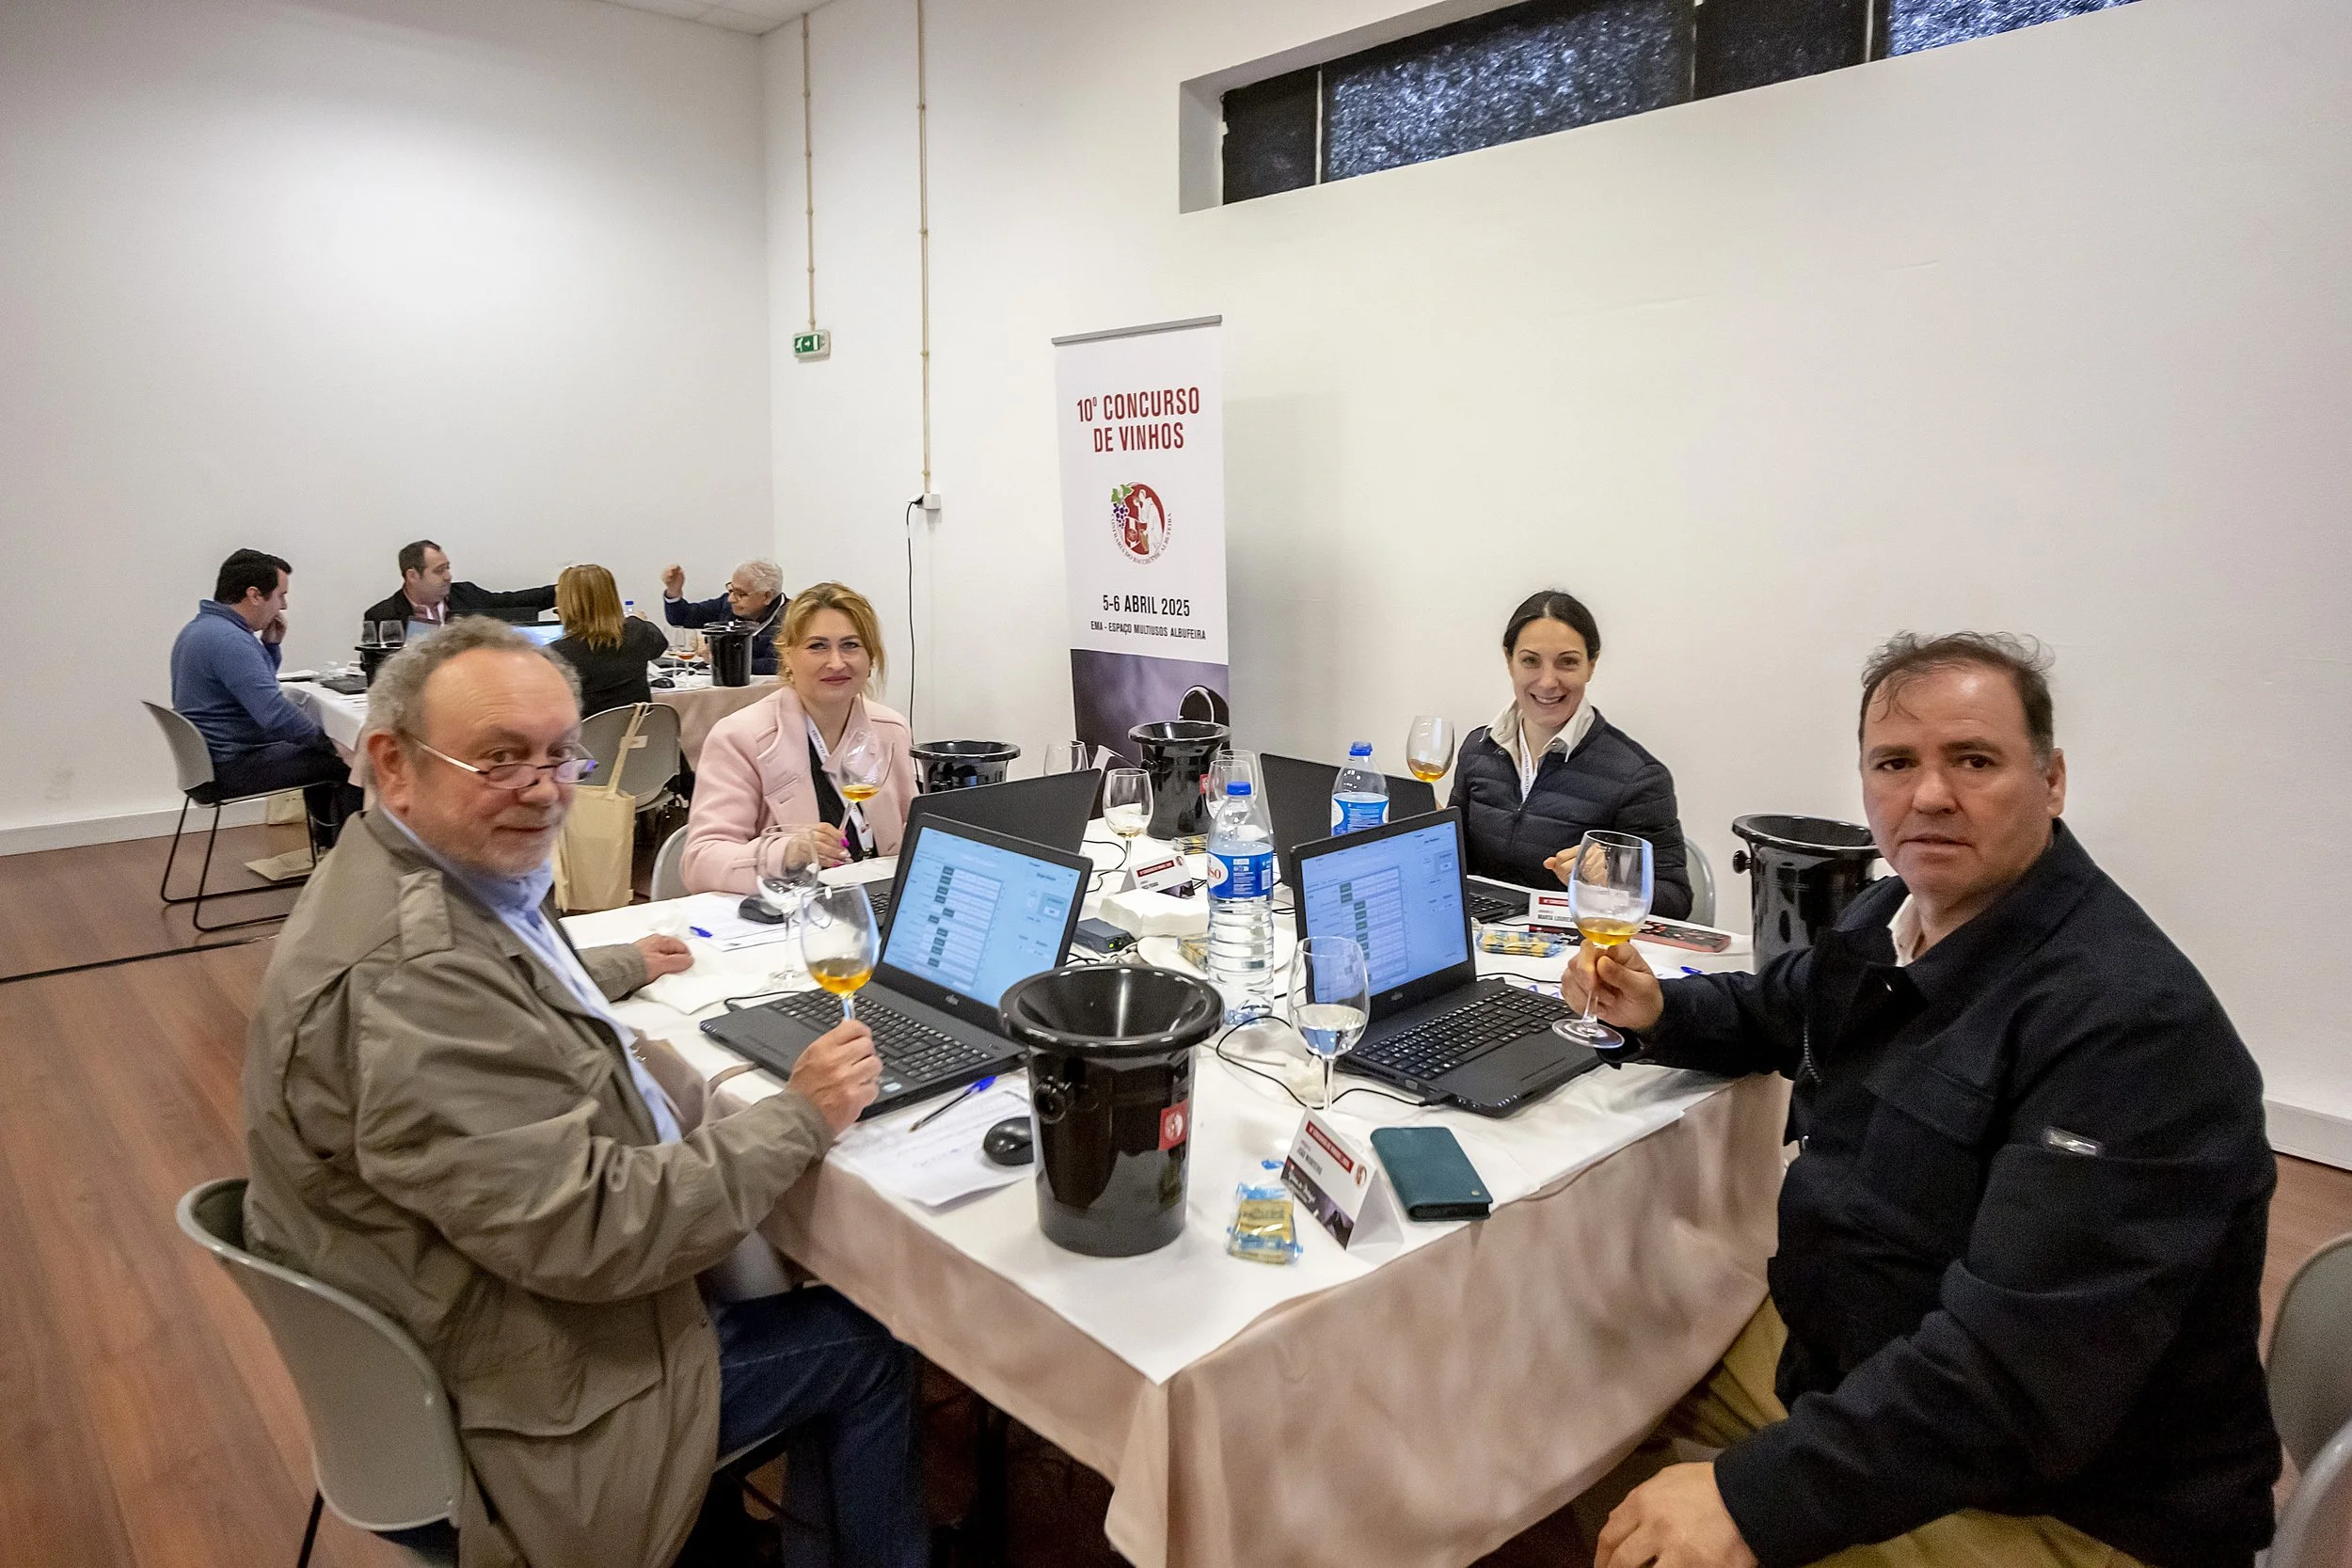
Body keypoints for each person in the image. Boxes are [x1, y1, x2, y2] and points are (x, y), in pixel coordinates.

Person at [1572, 633, 2277, 1568]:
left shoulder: (2130, 1029)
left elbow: (2013, 1381)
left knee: (1640, 1519)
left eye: (1973, 760)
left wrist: (1752, 1495)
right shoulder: (1890, 915)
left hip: (2063, 1501)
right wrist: (1660, 1007)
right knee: (1578, 1412)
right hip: (1860, 1356)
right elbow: (1779, 1003)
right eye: (1895, 763)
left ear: (2052, 778)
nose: (1929, 794)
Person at [240, 618, 928, 1568]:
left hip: (462, 1303)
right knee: (872, 1335)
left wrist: (610, 961)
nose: (544, 787)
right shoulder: (411, 977)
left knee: (776, 1213)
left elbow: (492, 979)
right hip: (533, 1395)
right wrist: (801, 1111)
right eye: (499, 757)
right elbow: (597, 1232)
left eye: (560, 755)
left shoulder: (410, 872)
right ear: (392, 763)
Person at [1446, 590, 1692, 916]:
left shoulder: (1639, 776)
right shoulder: (1478, 749)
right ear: (1509, 661)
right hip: (1486, 946)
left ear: (1591, 665)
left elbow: (1676, 901)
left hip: (1573, 956)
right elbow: (1458, 869)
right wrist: (1430, 835)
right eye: (1530, 661)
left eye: (1568, 662)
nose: (1548, 682)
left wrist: (1615, 880)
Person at [682, 581, 916, 894]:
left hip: (875, 906)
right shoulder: (740, 737)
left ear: (871, 657)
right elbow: (700, 861)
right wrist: (788, 853)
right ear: (788, 656)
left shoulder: (892, 729)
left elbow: (912, 834)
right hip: (790, 916)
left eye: (851, 645)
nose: (836, 662)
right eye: (817, 646)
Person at [169, 548, 360, 855]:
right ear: (255, 595)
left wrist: (270, 648)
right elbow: (273, 715)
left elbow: (252, 694)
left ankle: (328, 849)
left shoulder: (201, 629)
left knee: (328, 749)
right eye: (280, 595)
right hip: (232, 767)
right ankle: (347, 866)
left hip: (213, 762)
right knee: (352, 761)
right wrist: (330, 743)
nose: (283, 605)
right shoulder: (229, 640)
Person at [549, 562, 673, 718]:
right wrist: (636, 621)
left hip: (586, 738)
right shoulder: (639, 632)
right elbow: (659, 646)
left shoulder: (556, 654)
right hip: (639, 736)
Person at [360, 539, 557, 631]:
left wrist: (563, 591)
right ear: (412, 576)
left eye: (448, 568)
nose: (448, 576)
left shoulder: (466, 595)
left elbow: (513, 601)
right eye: (439, 571)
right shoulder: (383, 616)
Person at [661, 558, 787, 675]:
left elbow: (776, 665)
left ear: (767, 596)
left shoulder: (791, 618)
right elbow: (682, 618)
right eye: (731, 590)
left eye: (740, 594)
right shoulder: (727, 605)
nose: (731, 599)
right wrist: (674, 592)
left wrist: (720, 659)